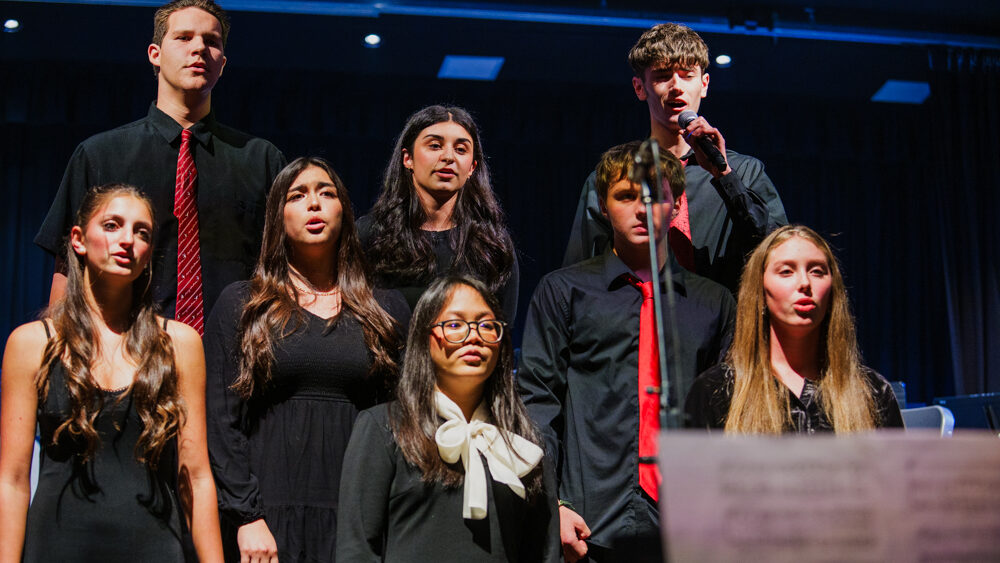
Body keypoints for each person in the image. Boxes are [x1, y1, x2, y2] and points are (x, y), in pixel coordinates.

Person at [518, 142, 735, 562]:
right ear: (603, 206)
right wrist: (551, 504)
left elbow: (728, 419)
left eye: (655, 196)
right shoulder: (563, 292)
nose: (641, 209)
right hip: (587, 526)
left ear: (677, 205)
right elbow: (537, 404)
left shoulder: (715, 303)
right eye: (625, 196)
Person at [0, 184, 222, 562]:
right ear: (78, 239)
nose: (127, 240)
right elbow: (13, 479)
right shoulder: (31, 344)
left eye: (142, 232)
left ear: (149, 252)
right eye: (112, 225)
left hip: (154, 550)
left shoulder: (179, 344)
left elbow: (196, 476)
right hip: (57, 549)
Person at [203, 157, 409, 562]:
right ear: (277, 217)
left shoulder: (385, 310)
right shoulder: (243, 305)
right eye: (297, 196)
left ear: (344, 211)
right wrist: (246, 516)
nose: (314, 204)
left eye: (326, 193)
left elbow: (403, 423)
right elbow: (221, 421)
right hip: (266, 521)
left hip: (359, 517)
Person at [34, 0, 285, 332]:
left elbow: (285, 269)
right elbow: (68, 268)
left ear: (222, 64)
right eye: (184, 37)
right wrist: (58, 349)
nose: (199, 48)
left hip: (235, 351)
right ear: (155, 54)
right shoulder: (99, 155)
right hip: (126, 347)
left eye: (212, 41)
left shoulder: (263, 160)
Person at [337, 276, 559, 562]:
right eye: (454, 325)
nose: (474, 336)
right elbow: (356, 550)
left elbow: (545, 553)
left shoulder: (523, 445)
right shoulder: (384, 428)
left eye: (487, 325)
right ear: (424, 338)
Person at [563, 23, 786, 294]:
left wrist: (725, 176)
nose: (676, 87)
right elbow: (581, 274)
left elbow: (779, 252)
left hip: (724, 317)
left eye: (687, 75)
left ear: (704, 84)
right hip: (636, 317)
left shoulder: (744, 171)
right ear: (639, 88)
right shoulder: (613, 177)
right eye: (662, 76)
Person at [685, 224, 905, 432]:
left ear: (833, 290)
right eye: (786, 271)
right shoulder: (716, 391)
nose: (805, 283)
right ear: (760, 290)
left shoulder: (873, 393)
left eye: (817, 271)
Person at [358, 105, 519, 323]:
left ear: (472, 168)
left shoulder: (492, 246)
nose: (448, 157)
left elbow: (500, 329)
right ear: (408, 159)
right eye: (435, 146)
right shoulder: (371, 235)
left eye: (461, 149)